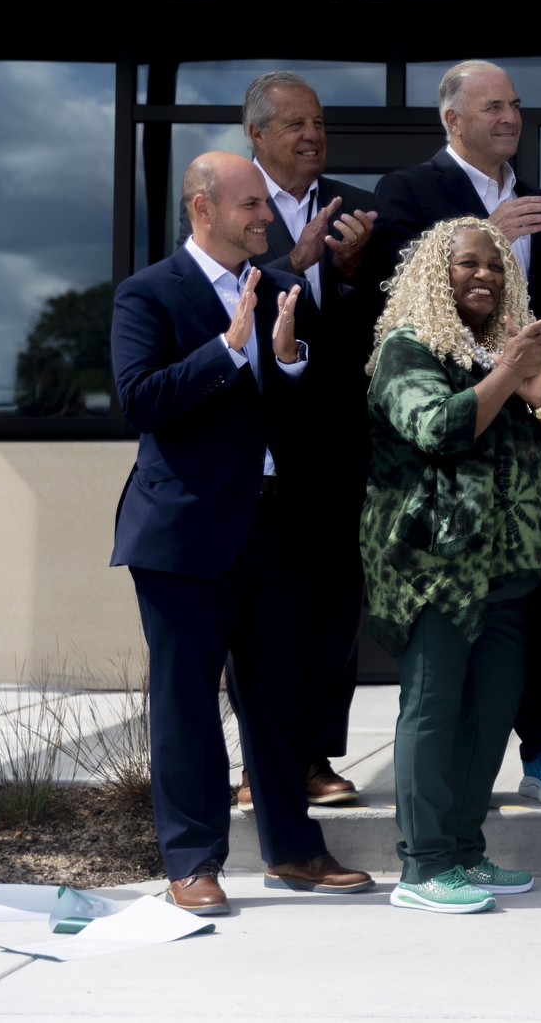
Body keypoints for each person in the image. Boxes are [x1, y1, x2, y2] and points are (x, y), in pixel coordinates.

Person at [110, 151, 374, 916]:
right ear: (203, 208)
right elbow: (140, 400)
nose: (267, 216)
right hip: (185, 532)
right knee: (187, 703)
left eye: (265, 205)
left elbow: (318, 409)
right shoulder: (147, 293)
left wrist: (288, 361)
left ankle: (293, 850)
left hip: (277, 528)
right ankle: (192, 860)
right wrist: (227, 349)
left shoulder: (286, 287)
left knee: (280, 697)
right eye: (252, 204)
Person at [370, 60, 541, 807]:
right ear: (452, 119)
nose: (510, 117)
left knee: (530, 613)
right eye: (492, 106)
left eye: (515, 105)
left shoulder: (537, 196)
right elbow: (396, 281)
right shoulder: (409, 189)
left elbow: (533, 292)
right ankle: (441, 824)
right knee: (449, 665)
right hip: (452, 449)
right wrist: (489, 233)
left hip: (525, 423)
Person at [361, 217, 541, 913]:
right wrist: (509, 372)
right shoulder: (407, 350)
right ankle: (422, 867)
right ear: (438, 274)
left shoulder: (509, 352)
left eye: (495, 265)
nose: (484, 274)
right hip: (437, 567)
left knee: (489, 715)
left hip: (511, 568)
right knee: (435, 711)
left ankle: (463, 851)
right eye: (467, 264)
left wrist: (536, 389)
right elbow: (439, 429)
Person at [240, 70, 380, 810]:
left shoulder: (356, 206)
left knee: (332, 602)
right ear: (257, 134)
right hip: (260, 444)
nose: (312, 135)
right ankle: (263, 761)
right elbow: (212, 298)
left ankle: (316, 757)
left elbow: (383, 315)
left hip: (337, 442)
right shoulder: (231, 201)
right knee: (264, 612)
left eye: (318, 122)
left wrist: (350, 273)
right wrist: (291, 266)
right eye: (295, 123)